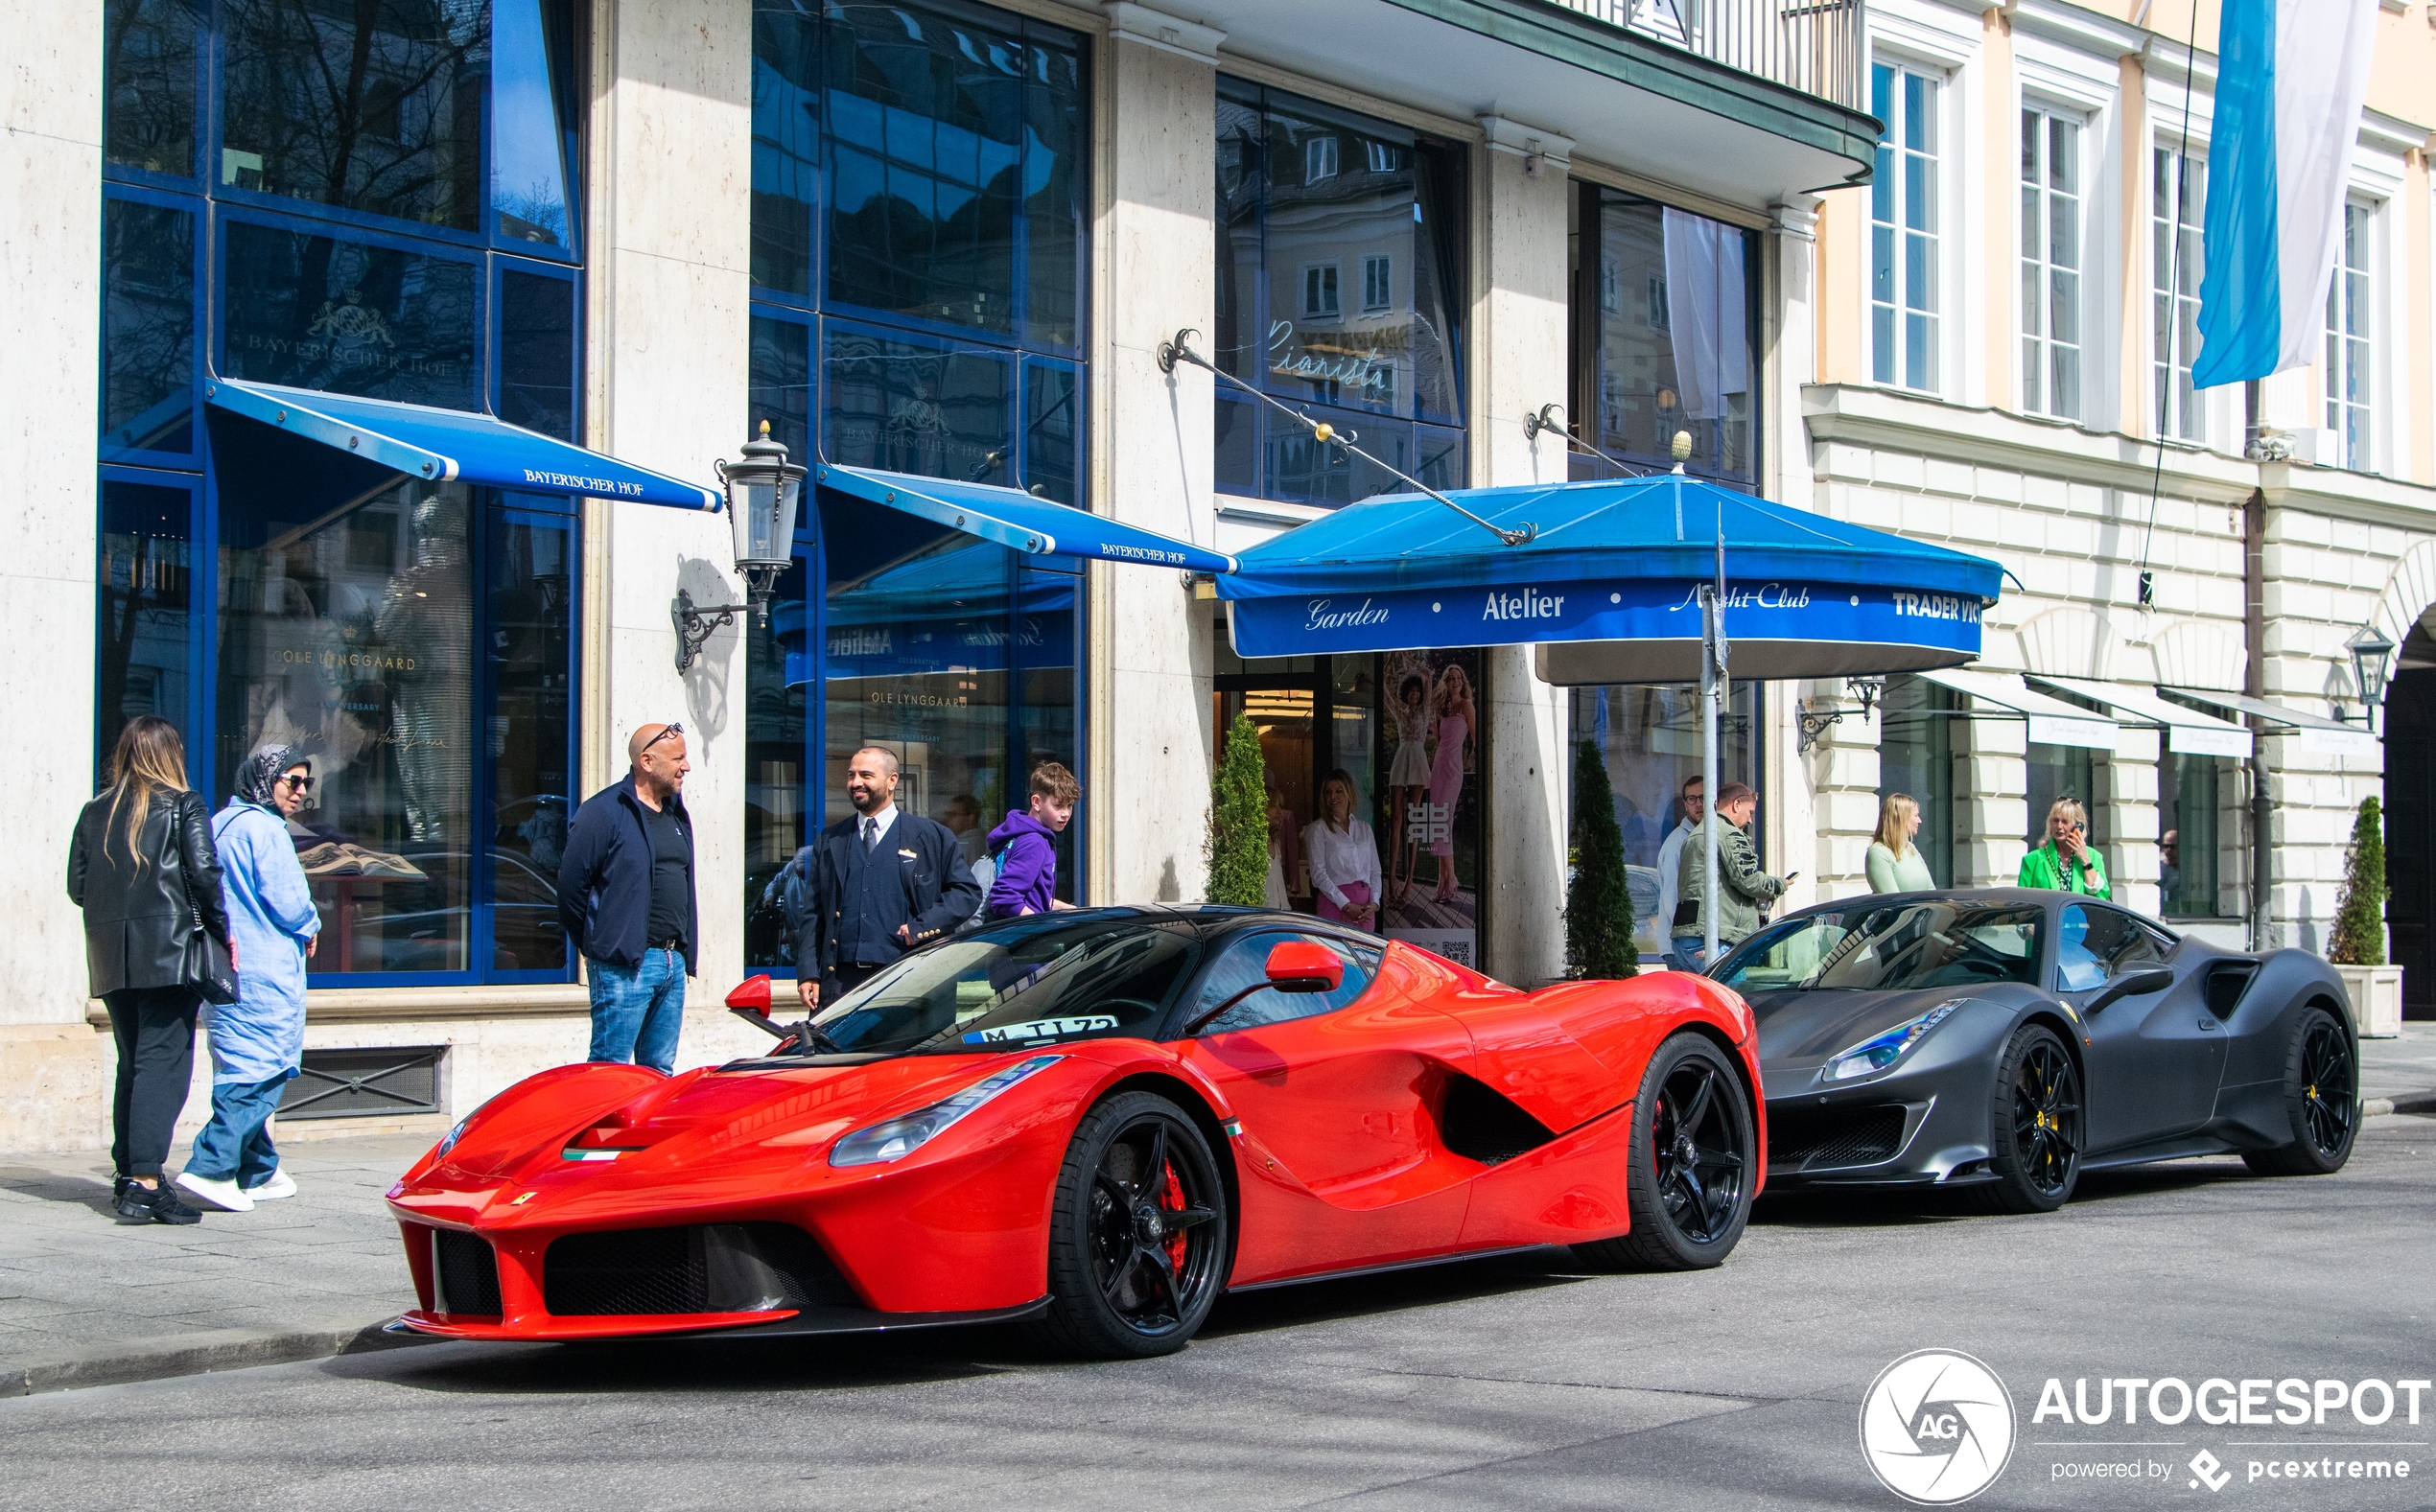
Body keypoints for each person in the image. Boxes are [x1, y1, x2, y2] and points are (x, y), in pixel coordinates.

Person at [67, 716, 226, 1225]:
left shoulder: (95, 811)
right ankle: (146, 1182)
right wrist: (225, 934)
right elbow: (205, 875)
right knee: (164, 1065)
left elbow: (78, 886)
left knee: (133, 1063)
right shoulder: (184, 803)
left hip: (113, 953)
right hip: (171, 949)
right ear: (170, 754)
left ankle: (128, 1176)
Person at [178, 746, 320, 1214]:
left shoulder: (220, 824)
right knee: (263, 1069)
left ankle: (259, 1169)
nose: (300, 792)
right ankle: (211, 1166)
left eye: (306, 783)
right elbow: (287, 897)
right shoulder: (264, 830)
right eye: (291, 781)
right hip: (264, 968)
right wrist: (311, 925)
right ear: (264, 780)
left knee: (240, 1061)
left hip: (223, 967)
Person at [558, 722, 696, 1073]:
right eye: (677, 758)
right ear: (647, 761)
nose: (686, 766)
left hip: (671, 962)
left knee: (659, 1071)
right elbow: (571, 891)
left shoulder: (676, 812)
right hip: (624, 966)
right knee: (610, 1070)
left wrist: (681, 954)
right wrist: (599, 945)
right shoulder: (602, 812)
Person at [797, 747, 982, 1008]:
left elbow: (966, 893)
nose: (855, 782)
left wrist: (921, 927)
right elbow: (813, 912)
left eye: (866, 775)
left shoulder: (932, 837)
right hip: (840, 983)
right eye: (851, 775)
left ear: (892, 780)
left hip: (911, 978)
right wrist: (808, 972)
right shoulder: (831, 840)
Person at [1670, 781, 1785, 970]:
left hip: (1685, 939)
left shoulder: (1695, 833)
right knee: (1727, 999)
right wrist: (1779, 884)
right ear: (1736, 804)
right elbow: (1747, 880)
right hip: (1714, 938)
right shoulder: (1728, 833)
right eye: (1750, 813)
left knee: (1699, 999)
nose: (1750, 821)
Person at [988, 761, 1081, 921]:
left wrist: (1071, 910)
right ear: (1036, 802)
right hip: (1021, 937)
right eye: (1058, 805)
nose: (1066, 813)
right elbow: (1004, 896)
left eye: (1070, 805)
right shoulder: (1034, 842)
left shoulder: (1025, 833)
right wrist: (1038, 926)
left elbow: (1035, 897)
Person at [1304, 768, 1382, 932]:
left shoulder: (1364, 828)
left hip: (1364, 908)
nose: (1333, 797)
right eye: (1328, 792)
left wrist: (1374, 903)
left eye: (1338, 791)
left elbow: (1375, 871)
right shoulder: (1318, 829)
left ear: (1349, 793)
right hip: (1335, 903)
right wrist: (1345, 904)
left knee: (1364, 955)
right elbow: (1318, 874)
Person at [1425, 663, 1477, 903]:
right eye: (1451, 678)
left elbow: (1476, 739)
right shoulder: (1444, 708)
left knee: (1443, 822)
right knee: (1437, 822)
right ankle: (1442, 880)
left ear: (1462, 681)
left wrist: (1475, 765)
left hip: (1454, 768)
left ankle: (1452, 877)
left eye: (1458, 677)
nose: (1455, 681)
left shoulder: (1467, 705)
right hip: (1438, 765)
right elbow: (1440, 741)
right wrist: (1434, 730)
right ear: (1446, 682)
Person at [1386, 673, 1431, 904]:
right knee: (1397, 821)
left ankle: (1410, 881)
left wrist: (1425, 674)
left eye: (1417, 691)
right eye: (1411, 690)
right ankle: (1392, 878)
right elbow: (1386, 695)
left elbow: (1429, 683)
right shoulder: (1399, 712)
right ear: (1406, 693)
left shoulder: (1425, 711)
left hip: (1418, 761)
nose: (1414, 694)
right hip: (1402, 759)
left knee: (1413, 824)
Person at [2019, 797, 2110, 898]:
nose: (2059, 826)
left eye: (2065, 822)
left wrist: (2085, 860)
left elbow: (2102, 896)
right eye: (2055, 820)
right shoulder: (2033, 860)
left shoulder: (2094, 857)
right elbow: (2022, 901)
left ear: (2078, 826)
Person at [1652, 775, 1704, 947]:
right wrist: (1689, 938)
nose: (1699, 804)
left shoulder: (1705, 838)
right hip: (1682, 945)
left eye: (1703, 797)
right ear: (1685, 804)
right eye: (1692, 799)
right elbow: (1672, 897)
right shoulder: (1678, 844)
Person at [1866, 792, 1937, 894]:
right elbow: (1892, 899)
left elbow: (1931, 890)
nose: (1919, 821)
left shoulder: (1910, 847)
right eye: (1916, 815)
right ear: (1901, 818)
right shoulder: (1878, 852)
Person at [1260, 772, 1297, 910]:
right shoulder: (1252, 844)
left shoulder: (1275, 841)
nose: (1279, 811)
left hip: (1280, 914)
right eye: (1273, 806)